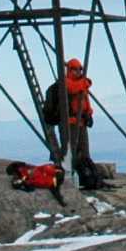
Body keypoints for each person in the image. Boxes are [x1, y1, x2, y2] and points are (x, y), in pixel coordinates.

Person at [42, 57, 97, 186]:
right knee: (70, 152)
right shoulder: (65, 83)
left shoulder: (80, 84)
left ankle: (84, 177)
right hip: (69, 123)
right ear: (70, 70)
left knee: (83, 152)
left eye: (80, 69)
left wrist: (89, 114)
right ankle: (72, 175)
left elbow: (85, 101)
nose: (78, 72)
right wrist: (86, 82)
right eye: (76, 70)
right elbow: (72, 89)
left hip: (80, 122)